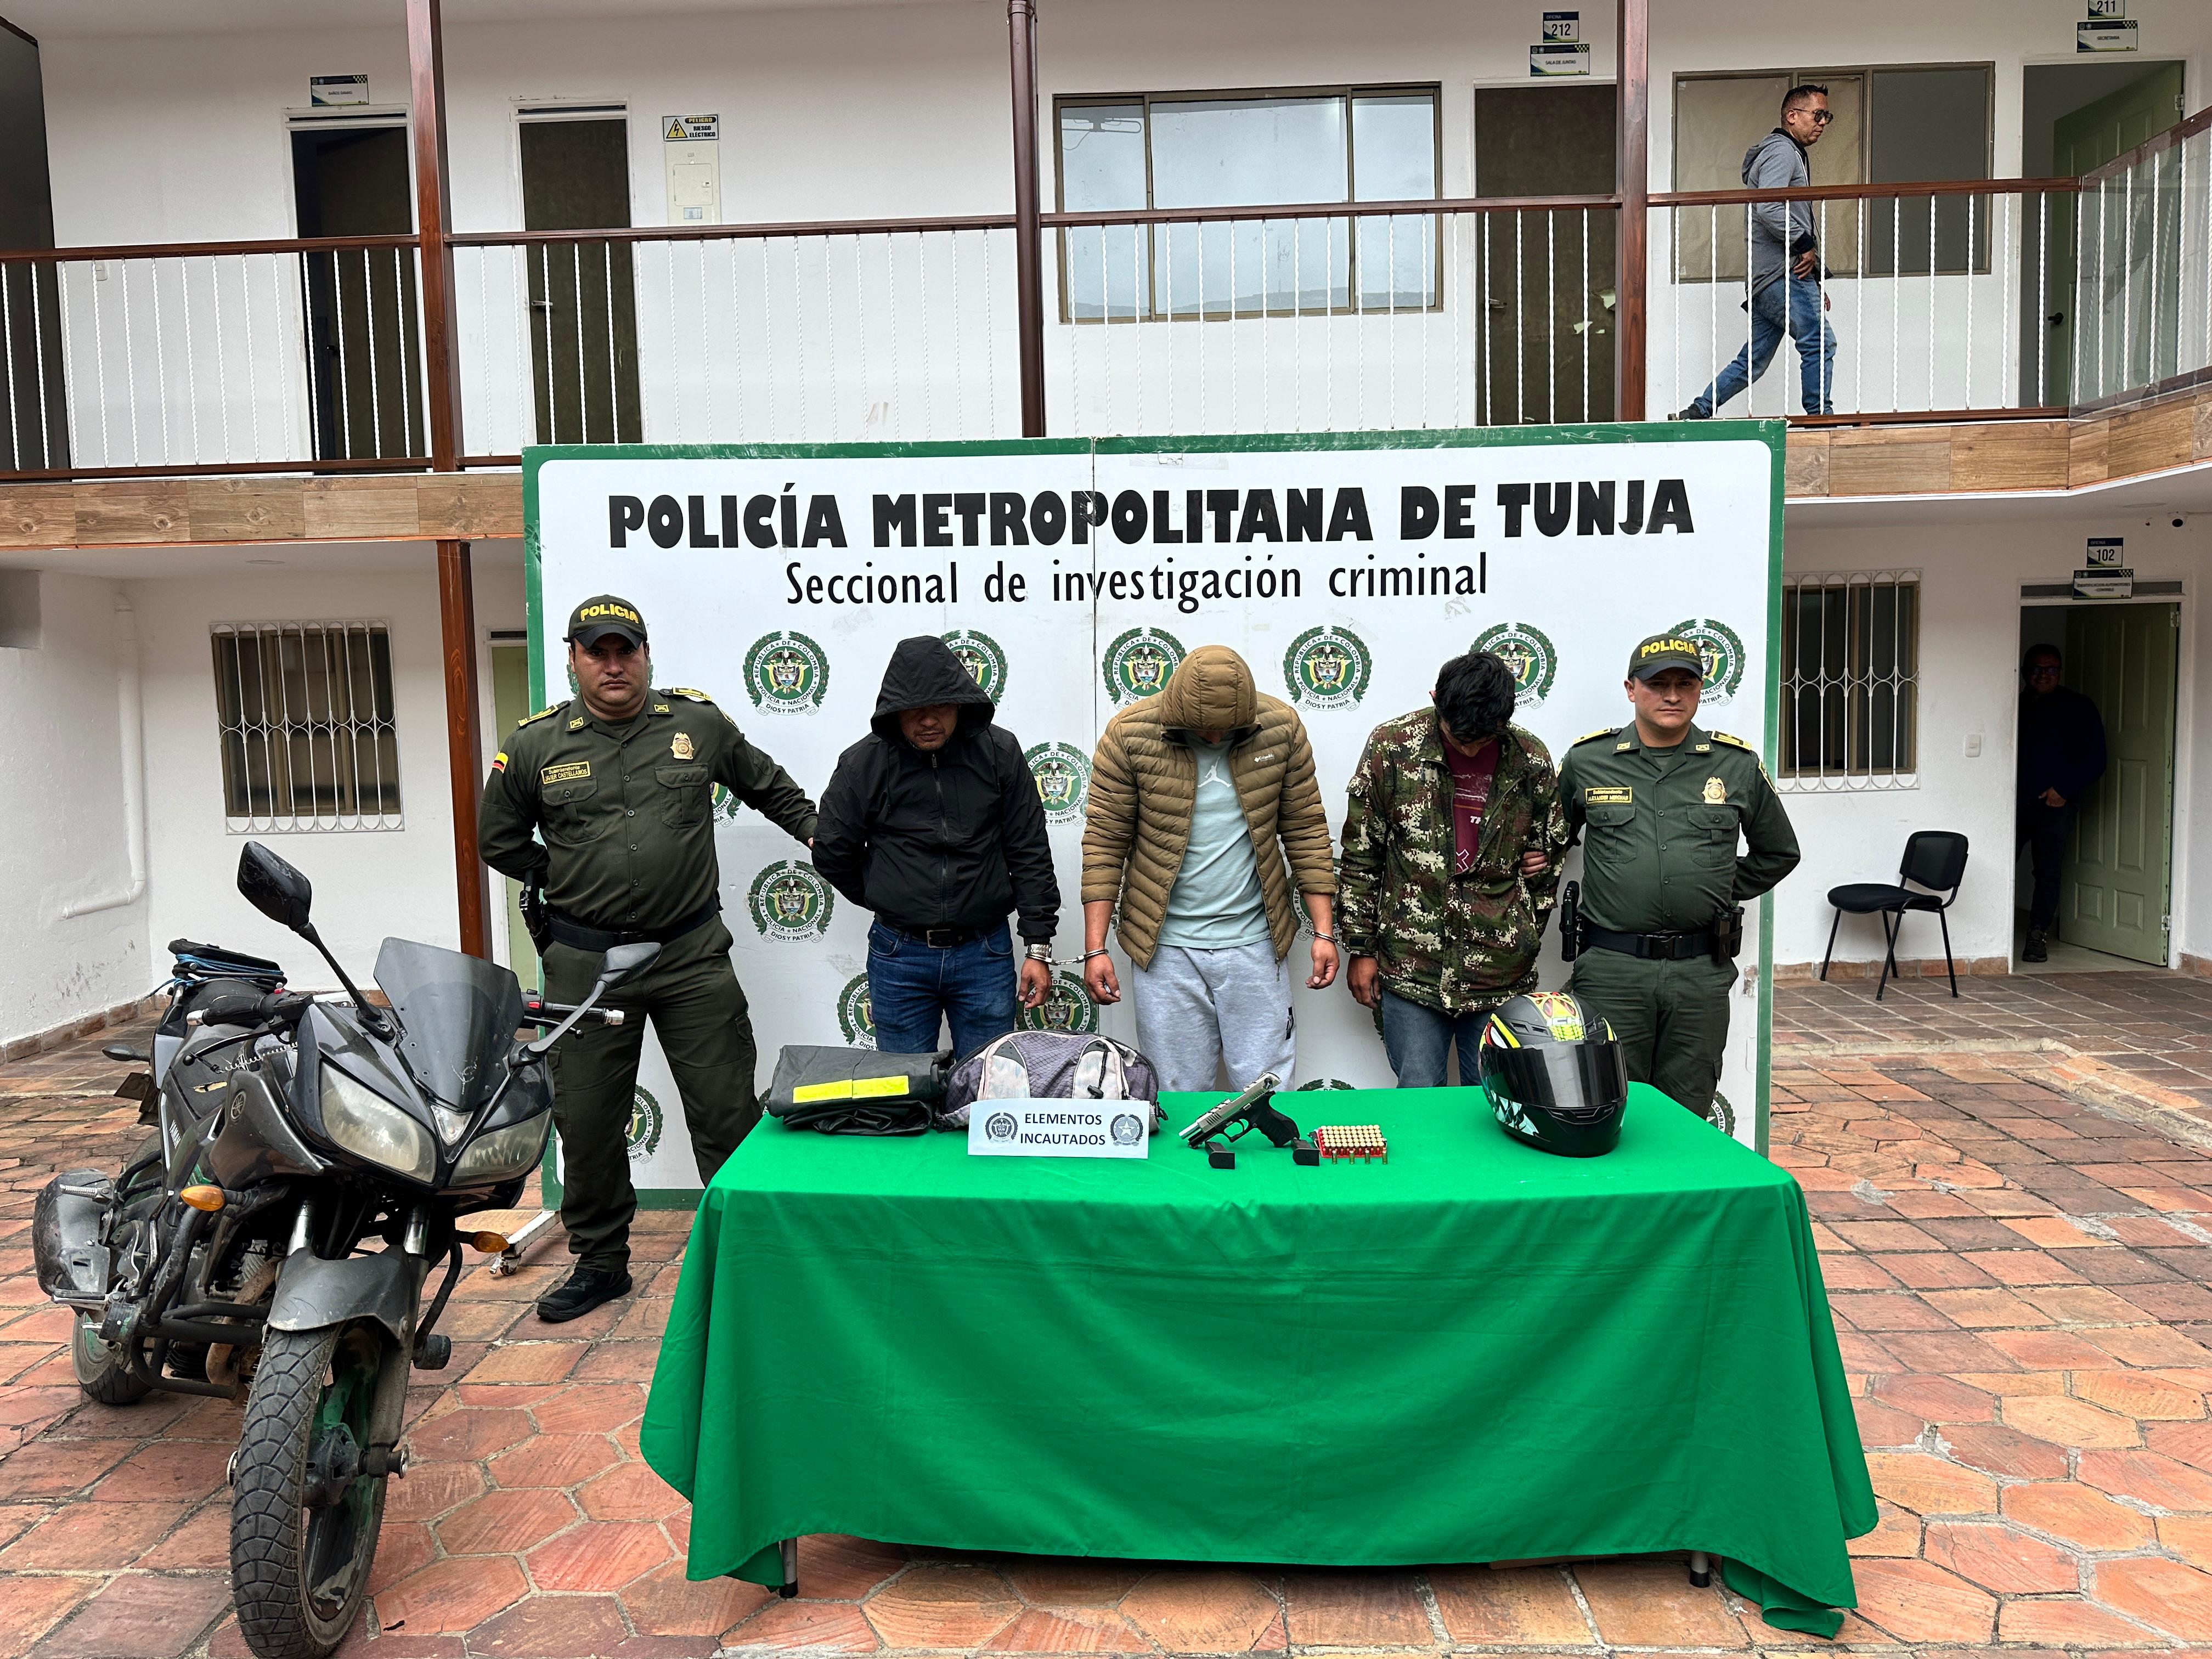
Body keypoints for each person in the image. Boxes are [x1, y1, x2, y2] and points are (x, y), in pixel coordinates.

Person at [478, 595, 818, 1322]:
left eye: (624, 650)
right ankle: (601, 1264)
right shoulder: (535, 746)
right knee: (591, 1120)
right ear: (573, 658)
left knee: (726, 1114)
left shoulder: (696, 724)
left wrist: (822, 834)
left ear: (645, 655)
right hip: (586, 961)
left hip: (691, 955)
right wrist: (558, 873)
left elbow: (771, 787)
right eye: (596, 651)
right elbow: (497, 840)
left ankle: (747, 1261)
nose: (612, 665)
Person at [1558, 633, 1799, 1120]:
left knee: (1688, 1108)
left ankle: (1680, 1200)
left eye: (1684, 684)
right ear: (1631, 689)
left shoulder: (1736, 765)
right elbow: (1549, 840)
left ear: (1700, 689)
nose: (1671, 696)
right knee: (1602, 1102)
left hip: (1698, 972)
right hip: (1612, 970)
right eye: (1657, 684)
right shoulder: (1588, 761)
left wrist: (1715, 886)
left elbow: (1779, 851)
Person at [1079, 645, 1338, 1092]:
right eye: (1204, 731)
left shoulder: (1281, 728)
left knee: (1268, 1091)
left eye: (1229, 730)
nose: (1216, 740)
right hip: (1165, 952)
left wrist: (1324, 932)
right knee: (1174, 1093)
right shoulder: (1129, 735)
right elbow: (1105, 843)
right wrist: (1095, 948)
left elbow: (1306, 831)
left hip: (1256, 946)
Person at [812, 636, 1057, 1056]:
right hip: (899, 954)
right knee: (903, 1098)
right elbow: (833, 851)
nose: (928, 721)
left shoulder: (1000, 753)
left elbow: (1030, 849)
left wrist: (1038, 947)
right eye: (914, 710)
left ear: (961, 704)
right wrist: (884, 891)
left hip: (986, 950)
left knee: (987, 1092)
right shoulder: (863, 763)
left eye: (941, 707)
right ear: (894, 711)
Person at [1338, 652, 1567, 1088]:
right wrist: (1362, 949)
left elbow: (1547, 861)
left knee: (1495, 1099)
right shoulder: (1393, 747)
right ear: (1435, 700)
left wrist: (1523, 933)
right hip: (1412, 968)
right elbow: (1362, 854)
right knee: (1419, 1096)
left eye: (1482, 740)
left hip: (1499, 973)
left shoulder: (1530, 760)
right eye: (1458, 737)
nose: (1469, 749)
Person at [1675, 84, 1837, 420]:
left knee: (1753, 361)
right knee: (1820, 341)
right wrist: (1804, 243)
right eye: (1817, 115)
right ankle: (1821, 419)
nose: (1822, 123)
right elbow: (1770, 208)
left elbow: (1783, 211)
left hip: (1769, 277)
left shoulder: (1786, 153)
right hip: (1781, 275)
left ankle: (1700, 409)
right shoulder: (1781, 152)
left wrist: (1815, 280)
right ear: (1793, 116)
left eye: (1827, 116)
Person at [2017, 644, 2107, 963]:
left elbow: (2096, 760)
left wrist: (2063, 790)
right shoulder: (2015, 704)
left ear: (2060, 673)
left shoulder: (2079, 707)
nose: (2043, 675)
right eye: (2037, 669)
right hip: (2012, 804)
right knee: (2002, 865)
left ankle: (2037, 934)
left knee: (2048, 872)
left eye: (2051, 669)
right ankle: (1996, 933)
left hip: (2055, 805)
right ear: (2026, 671)